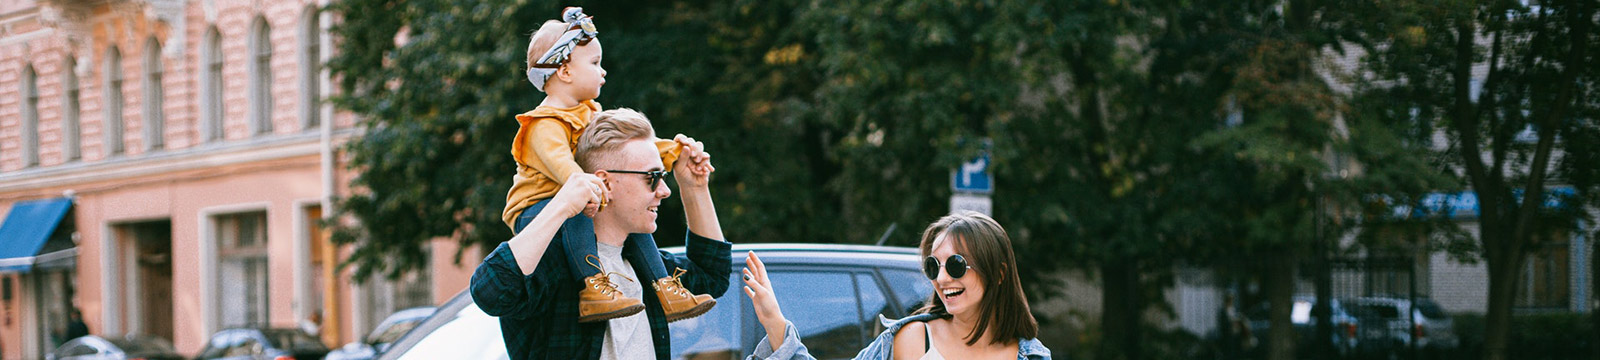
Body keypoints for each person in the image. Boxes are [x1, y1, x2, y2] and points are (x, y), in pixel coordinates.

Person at [501, 7, 713, 324]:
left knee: (631, 211)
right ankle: (592, 288)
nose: (603, 71)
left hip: (579, 196)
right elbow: (564, 168)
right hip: (536, 209)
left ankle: (665, 288)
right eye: (595, 63)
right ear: (565, 72)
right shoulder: (542, 125)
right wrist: (582, 188)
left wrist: (674, 151)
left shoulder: (589, 113)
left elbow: (626, 149)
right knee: (580, 210)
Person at [471, 108, 731, 359]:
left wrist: (694, 188)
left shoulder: (646, 266)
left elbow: (712, 276)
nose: (664, 191)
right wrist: (562, 204)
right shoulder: (553, 266)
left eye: (663, 176)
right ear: (604, 182)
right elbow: (490, 291)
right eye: (652, 177)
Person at [741, 212, 1052, 360]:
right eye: (934, 266)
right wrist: (774, 322)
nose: (942, 278)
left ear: (998, 273)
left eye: (956, 265)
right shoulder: (914, 339)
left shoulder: (1030, 356)